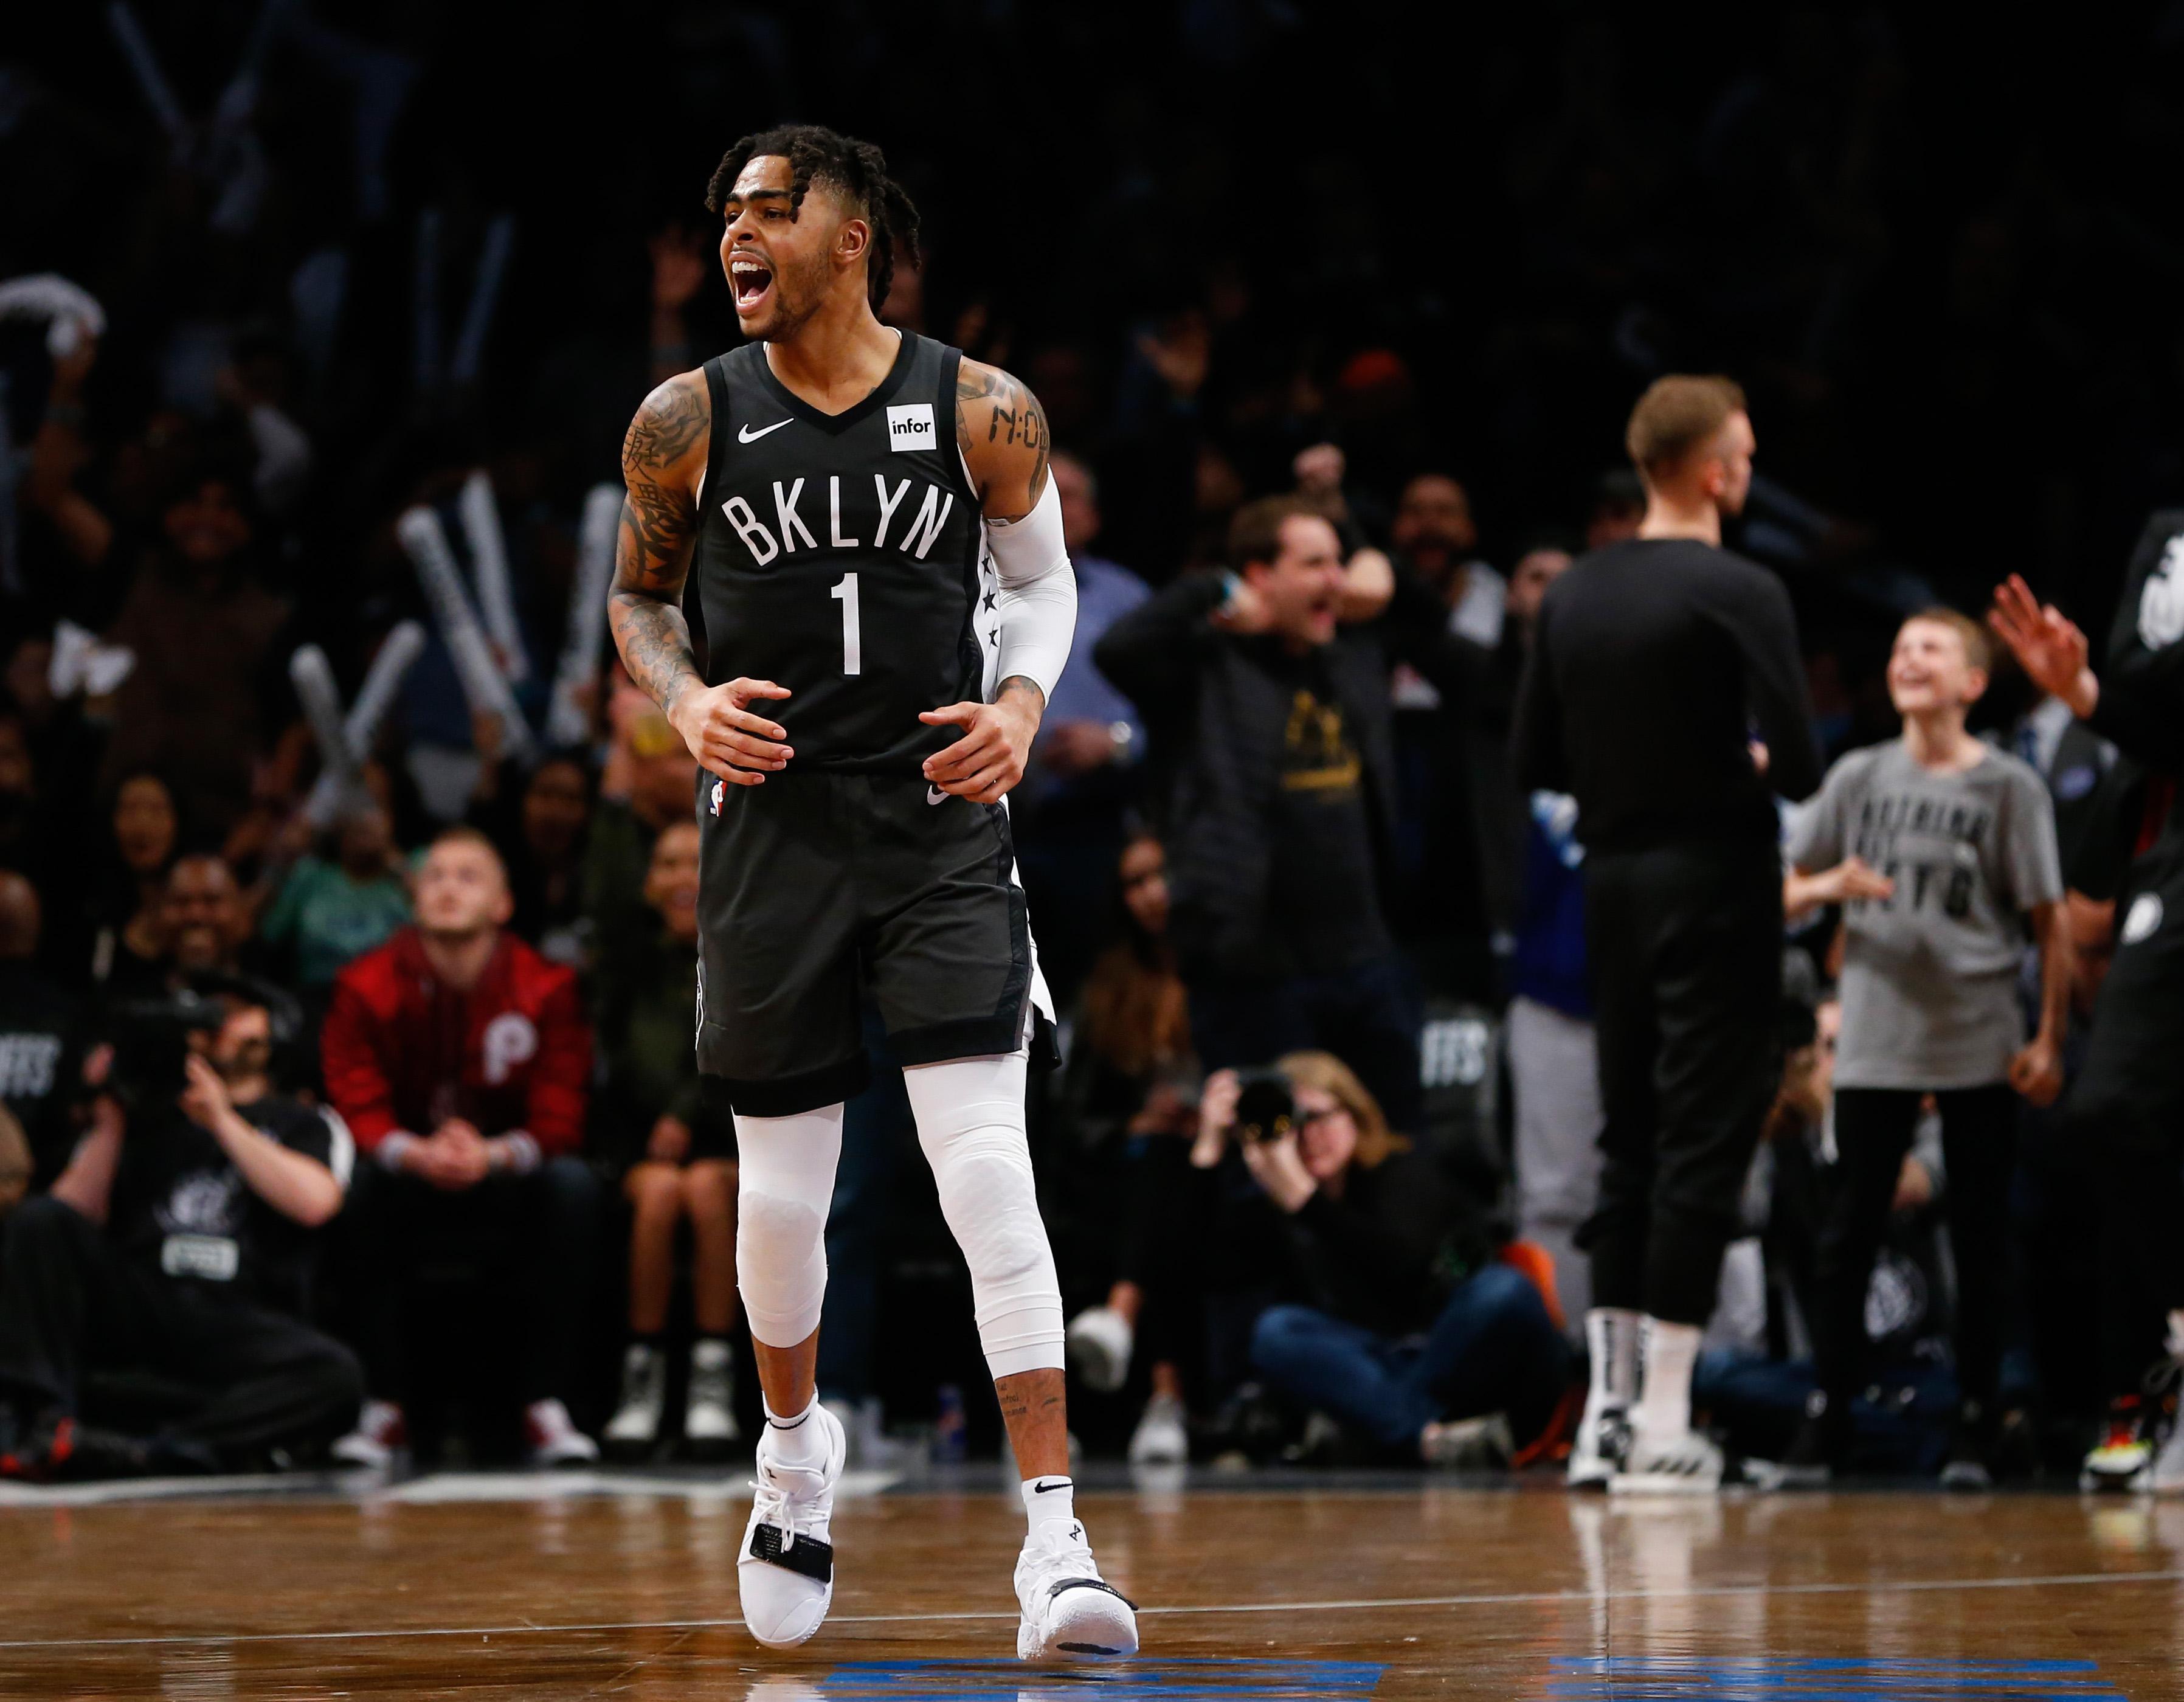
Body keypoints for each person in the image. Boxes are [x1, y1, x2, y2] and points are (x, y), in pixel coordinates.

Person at [605, 125, 1133, 1659]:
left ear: (856, 237)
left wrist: (1026, 707)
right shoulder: (681, 416)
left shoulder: (986, 407)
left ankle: (1057, 1542)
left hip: (935, 819)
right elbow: (637, 597)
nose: (735, 235)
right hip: (770, 826)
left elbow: (1039, 584)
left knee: (986, 1168)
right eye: (725, 215)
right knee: (782, 1204)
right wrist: (684, 703)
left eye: (771, 208)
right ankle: (791, 1452)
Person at [1515, 375, 1821, 1492]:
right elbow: (1796, 763)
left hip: (1612, 886)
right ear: (1715, 469)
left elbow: (1530, 763)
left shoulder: (1574, 593)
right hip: (1717, 879)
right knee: (1703, 1140)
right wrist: (1723, 762)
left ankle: (1604, 1412)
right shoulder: (1742, 587)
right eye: (1741, 450)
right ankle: (1662, 1420)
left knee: (1628, 1138)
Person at [1778, 609, 2070, 1486]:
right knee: (1851, 1232)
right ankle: (1828, 1417)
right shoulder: (1860, 773)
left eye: (1931, 648)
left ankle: (1978, 1418)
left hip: (1976, 1037)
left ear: (1973, 682)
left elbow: (2048, 919)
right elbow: (1784, 887)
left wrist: (2050, 1034)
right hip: (1873, 1039)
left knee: (1982, 1238)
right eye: (1900, 646)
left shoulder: (2009, 786)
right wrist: (1830, 883)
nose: (1909, 658)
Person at [1095, 496, 1428, 1134]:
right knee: (1266, 1169)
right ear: (1258, 576)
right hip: (1251, 971)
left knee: (1396, 1147)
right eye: (1313, 564)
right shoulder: (1203, 661)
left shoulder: (1350, 648)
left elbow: (1438, 630)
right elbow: (1118, 650)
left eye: (1337, 563)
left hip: (1367, 956)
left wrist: (1381, 566)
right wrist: (1212, 591)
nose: (1334, 579)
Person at [1988, 562, 2184, 1492]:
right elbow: (2082, 915)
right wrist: (2059, 1022)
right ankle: (2154, 1380)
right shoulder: (2139, 773)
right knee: (2114, 1122)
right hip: (2155, 952)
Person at [319, 828, 600, 1468]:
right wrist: (416, 1153)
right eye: (435, 875)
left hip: (505, 1176)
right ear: (413, 896)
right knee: (354, 1188)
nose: (446, 887)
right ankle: (383, 1405)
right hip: (407, 1176)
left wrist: (492, 1155)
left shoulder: (546, 986)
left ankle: (544, 1405)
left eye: (467, 876)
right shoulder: (363, 986)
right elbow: (355, 1103)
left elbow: (561, 1112)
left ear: (503, 904)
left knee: (575, 1188)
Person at [0, 986, 361, 1478]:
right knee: (39, 1220)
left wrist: (220, 1118)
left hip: (238, 1317)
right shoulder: (149, 1120)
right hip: (147, 1301)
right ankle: (41, 1424)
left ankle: (154, 1452)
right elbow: (65, 1218)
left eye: (232, 1014)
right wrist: (112, 1116)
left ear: (270, 1030)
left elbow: (314, 1203)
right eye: (204, 1017)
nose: (216, 1025)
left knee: (334, 1378)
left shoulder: (304, 1121)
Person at [1204, 1052, 1569, 1469]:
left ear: (1354, 1115)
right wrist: (1209, 1149)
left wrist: (1306, 1201)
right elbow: (1214, 1276)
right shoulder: (1277, 1201)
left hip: (1450, 1345)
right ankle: (1428, 1438)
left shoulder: (1402, 1172)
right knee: (1276, 1330)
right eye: (1292, 1123)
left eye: (1319, 1117)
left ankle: (1384, 1429)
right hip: (1370, 1363)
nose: (1308, 1136)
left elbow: (1404, 1270)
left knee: (1504, 1290)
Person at [594, 820, 742, 1459]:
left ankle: (712, 1384)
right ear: (648, 882)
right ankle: (642, 1381)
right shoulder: (625, 965)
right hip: (642, 1146)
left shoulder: (741, 954)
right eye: (668, 864)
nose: (684, 878)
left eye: (697, 862)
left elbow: (736, 1057)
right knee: (658, 1194)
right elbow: (618, 1067)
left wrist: (685, 1113)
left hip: (727, 1138)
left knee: (707, 1189)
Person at [1059, 834, 1200, 1465]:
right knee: (1159, 1175)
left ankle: (1120, 1318)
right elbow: (1079, 1115)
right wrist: (1137, 1124)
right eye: (1135, 882)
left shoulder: (1223, 972)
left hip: (1228, 1160)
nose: (1153, 895)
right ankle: (1163, 1400)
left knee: (1169, 1178)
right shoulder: (1110, 990)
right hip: (1137, 1167)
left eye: (1161, 876)